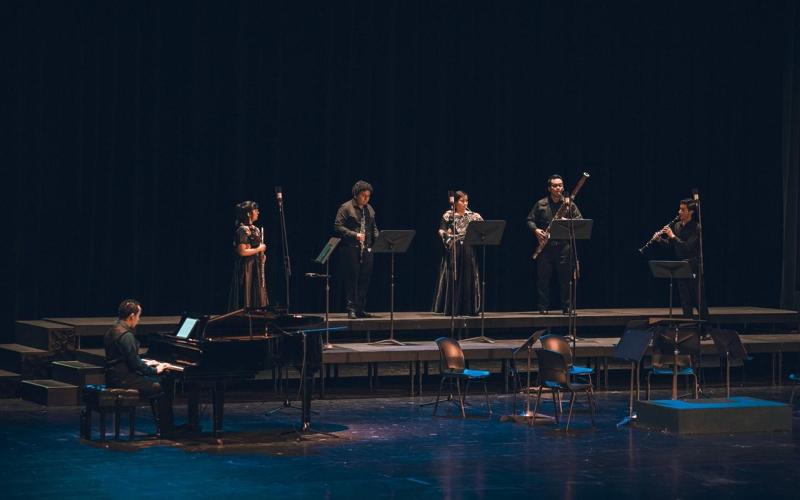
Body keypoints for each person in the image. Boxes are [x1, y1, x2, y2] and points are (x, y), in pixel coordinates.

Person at [103, 299, 176, 437]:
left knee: (153, 382)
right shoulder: (126, 335)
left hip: (113, 376)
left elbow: (127, 359)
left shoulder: (113, 330)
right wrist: (155, 369)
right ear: (131, 316)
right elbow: (135, 364)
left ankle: (163, 427)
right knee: (161, 386)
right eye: (138, 316)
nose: (139, 320)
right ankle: (167, 430)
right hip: (123, 380)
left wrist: (146, 363)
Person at [526, 174, 582, 314]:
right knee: (543, 279)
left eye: (560, 185)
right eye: (555, 186)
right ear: (549, 188)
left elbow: (580, 220)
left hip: (564, 246)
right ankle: (543, 307)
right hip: (546, 247)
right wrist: (536, 230)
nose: (559, 188)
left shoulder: (569, 204)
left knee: (565, 279)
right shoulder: (541, 204)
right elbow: (530, 220)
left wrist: (565, 221)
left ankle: (567, 307)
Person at [655, 198, 709, 319]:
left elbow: (687, 247)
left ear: (690, 212)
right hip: (681, 266)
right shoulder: (677, 225)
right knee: (685, 299)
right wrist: (660, 240)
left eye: (683, 210)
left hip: (693, 265)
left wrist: (672, 236)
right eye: (680, 209)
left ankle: (706, 329)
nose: (679, 212)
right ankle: (689, 326)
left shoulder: (696, 227)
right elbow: (670, 244)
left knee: (698, 299)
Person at [432, 191, 482, 316]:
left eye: (466, 201)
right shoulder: (449, 215)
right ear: (455, 202)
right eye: (462, 201)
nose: (465, 203)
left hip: (468, 248)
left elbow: (482, 230)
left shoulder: (473, 216)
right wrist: (445, 235)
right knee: (453, 276)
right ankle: (451, 307)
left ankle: (468, 308)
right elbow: (441, 229)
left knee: (468, 275)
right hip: (454, 248)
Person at [335, 180, 379, 319]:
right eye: (363, 195)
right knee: (352, 279)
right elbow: (338, 226)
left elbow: (373, 227)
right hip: (350, 249)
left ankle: (360, 308)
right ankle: (351, 309)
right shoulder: (346, 207)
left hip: (366, 249)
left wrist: (378, 238)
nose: (366, 198)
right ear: (356, 194)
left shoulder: (369, 209)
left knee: (364, 279)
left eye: (368, 196)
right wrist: (355, 235)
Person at [228, 200, 269, 311]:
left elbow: (256, 250)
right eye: (256, 210)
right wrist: (259, 249)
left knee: (256, 295)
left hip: (255, 267)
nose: (258, 212)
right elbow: (242, 252)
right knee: (246, 295)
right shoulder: (242, 230)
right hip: (246, 268)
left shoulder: (255, 229)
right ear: (249, 213)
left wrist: (262, 257)